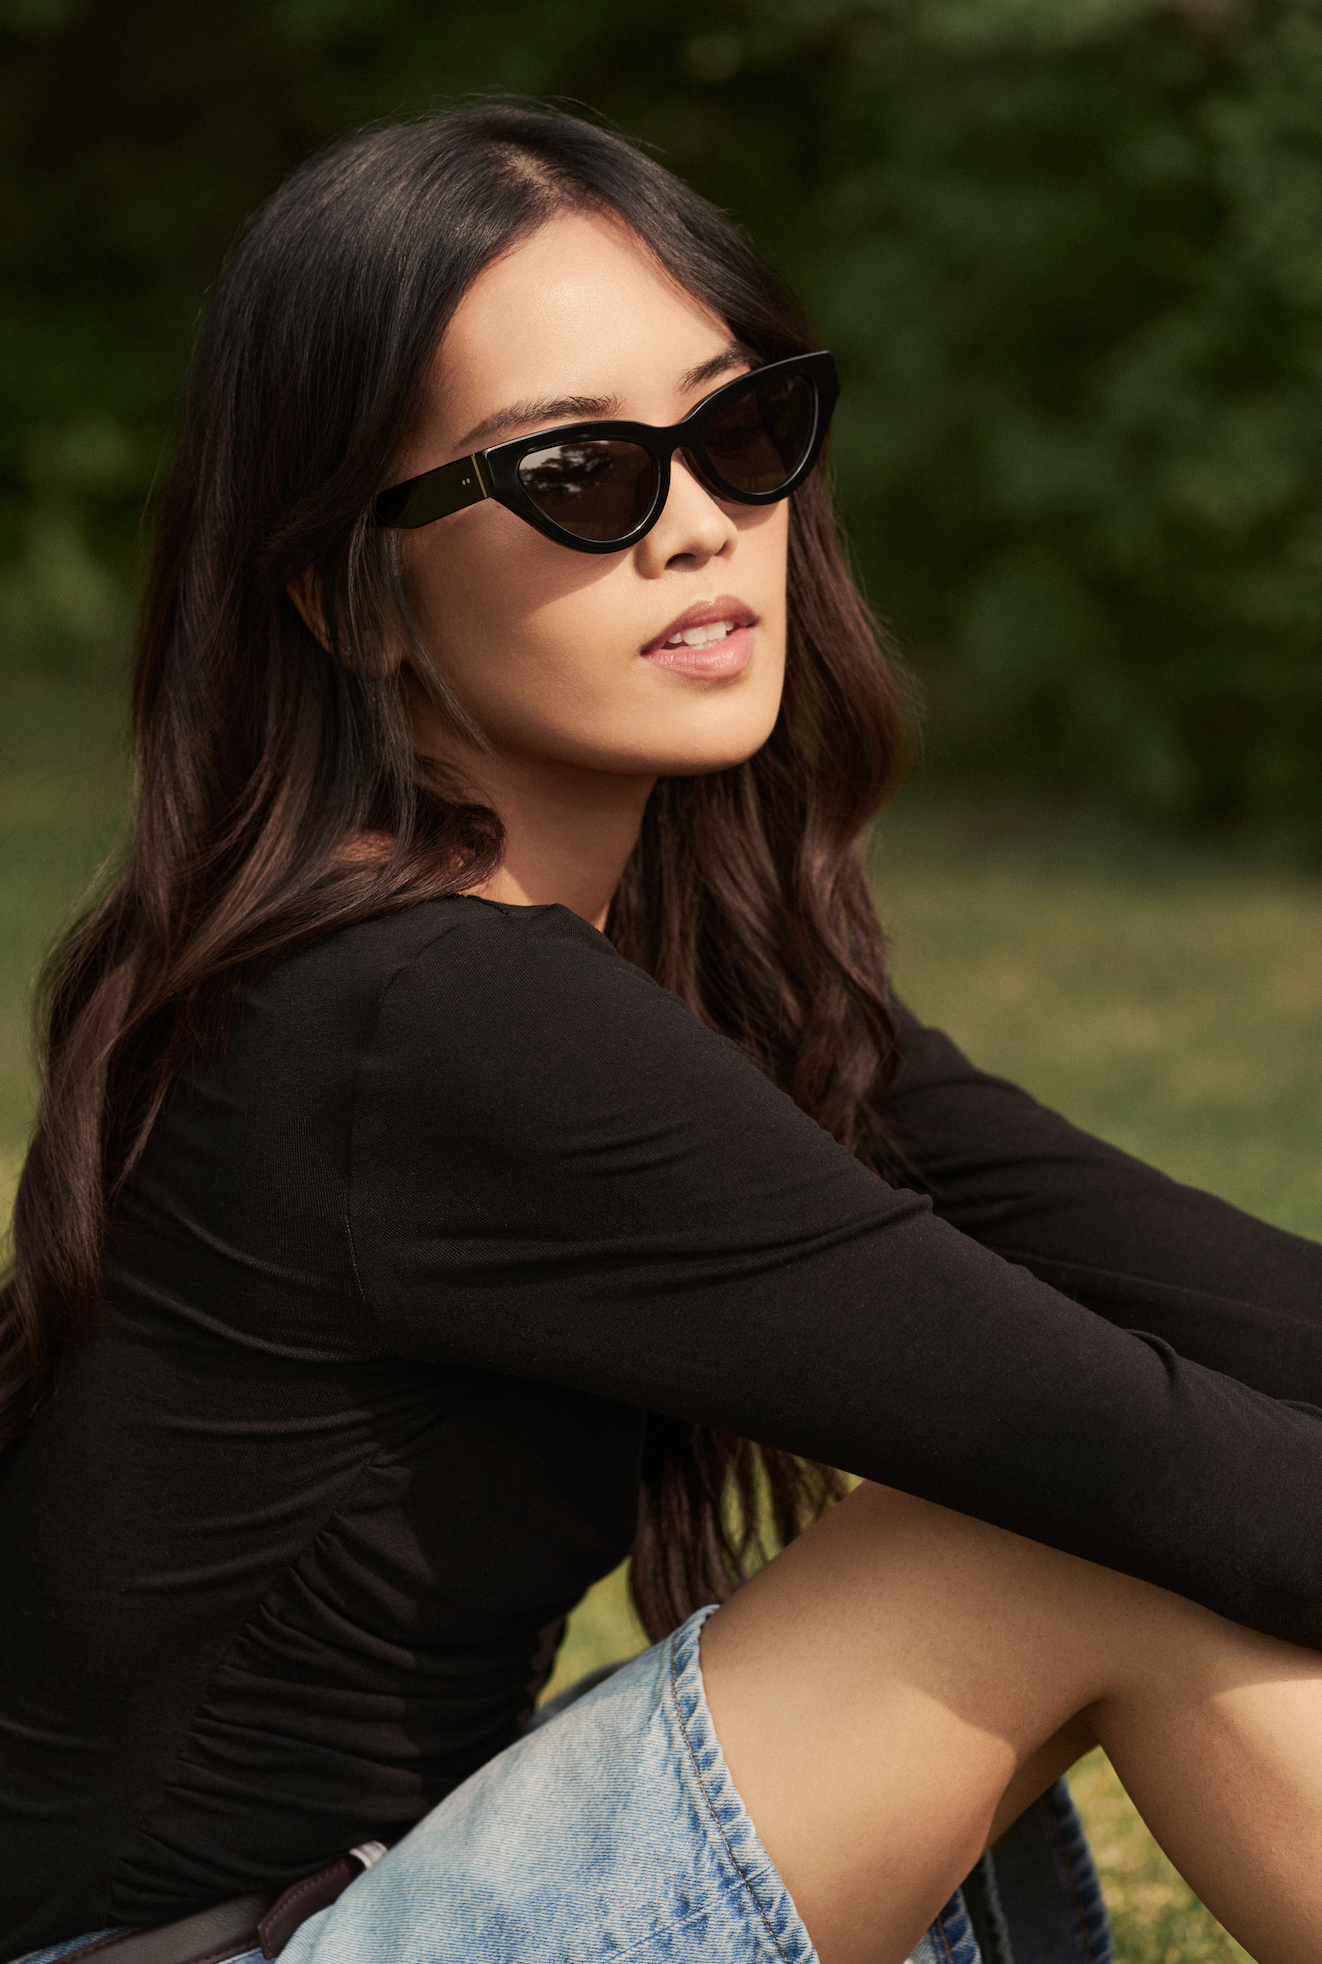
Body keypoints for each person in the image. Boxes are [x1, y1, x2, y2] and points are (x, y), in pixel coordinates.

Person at [3, 103, 1322, 1964]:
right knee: (1036, 1543)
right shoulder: (431, 1012)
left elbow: (1249, 1316)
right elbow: (1160, 1469)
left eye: (740, 431)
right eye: (577, 472)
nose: (700, 522)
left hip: (375, 1901)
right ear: (344, 595)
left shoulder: (660, 974)